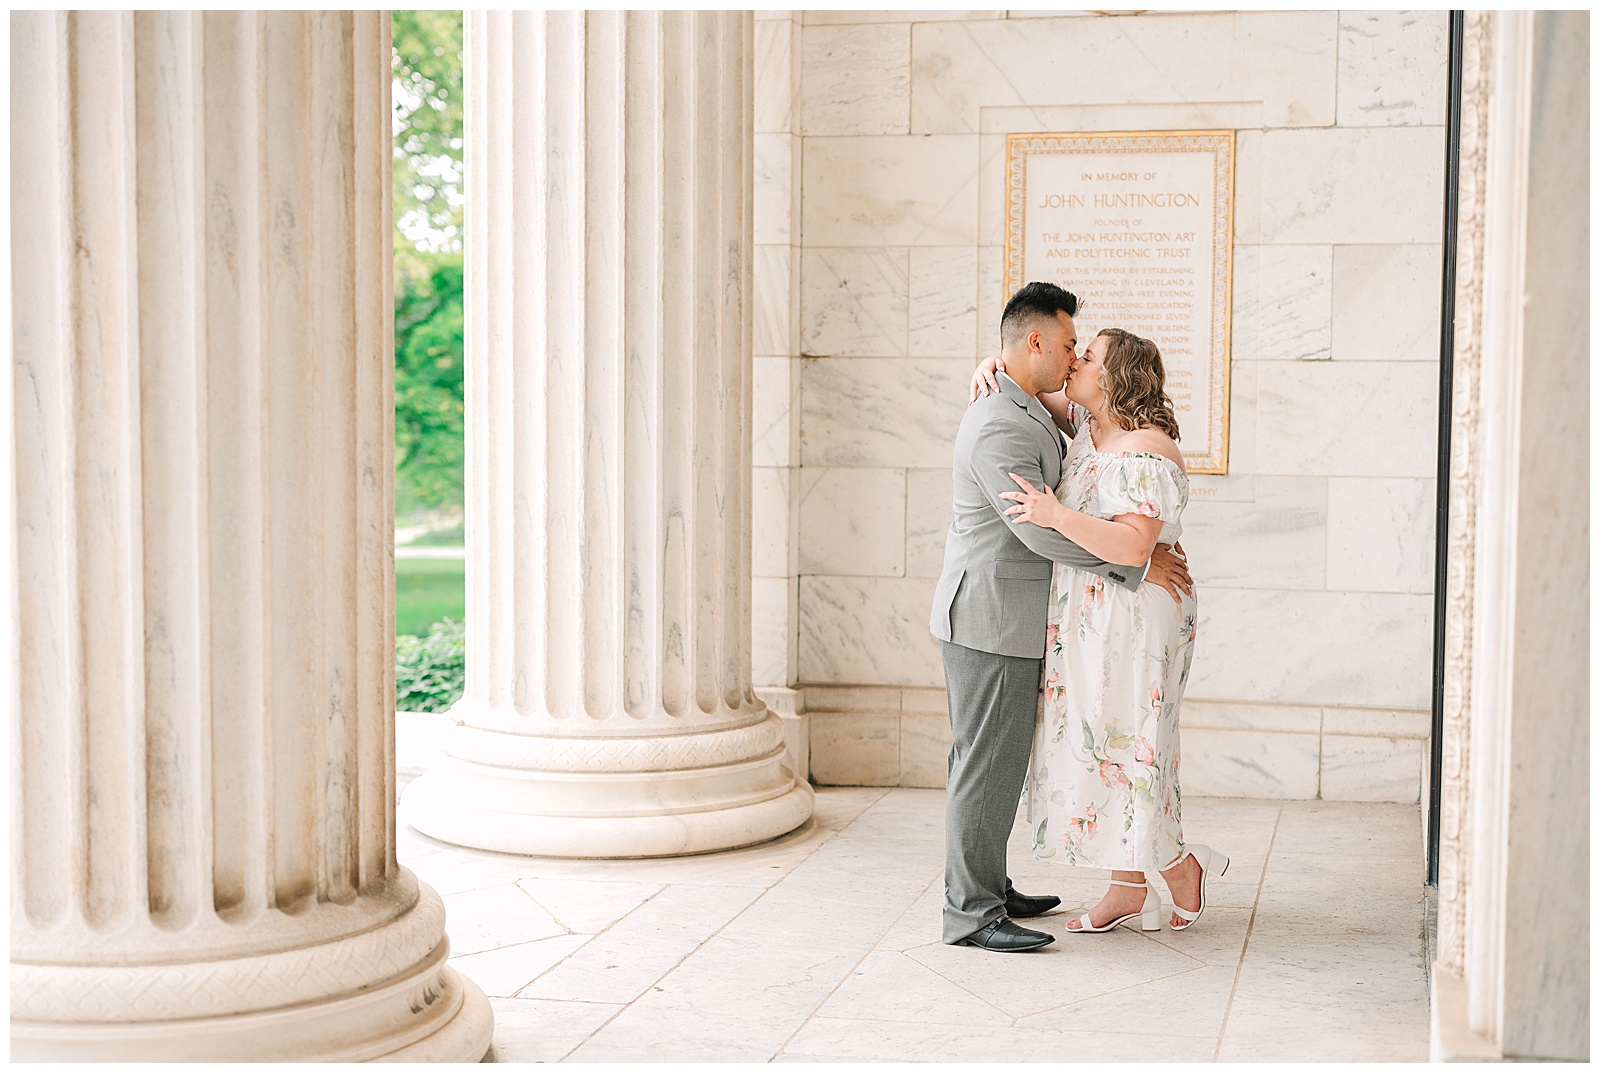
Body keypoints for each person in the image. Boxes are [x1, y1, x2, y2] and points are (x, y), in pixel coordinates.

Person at [929, 282, 1193, 953]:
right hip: (989, 616)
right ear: (1036, 342)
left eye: (1086, 351)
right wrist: (1133, 565)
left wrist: (991, 363)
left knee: (1006, 762)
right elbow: (1036, 532)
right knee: (984, 764)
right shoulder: (1001, 418)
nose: (1075, 357)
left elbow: (1104, 495)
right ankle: (971, 910)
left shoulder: (1047, 411)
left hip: (1036, 618)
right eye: (1070, 344)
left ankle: (993, 885)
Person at [974, 325, 1227, 935]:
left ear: (1111, 378)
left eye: (1086, 357)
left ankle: (1178, 866)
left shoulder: (1145, 446)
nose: (1074, 361)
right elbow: (1028, 382)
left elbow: (1135, 543)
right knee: (1098, 742)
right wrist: (993, 364)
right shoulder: (1091, 426)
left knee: (1130, 743)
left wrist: (1056, 514)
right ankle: (1125, 886)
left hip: (1136, 615)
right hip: (1093, 609)